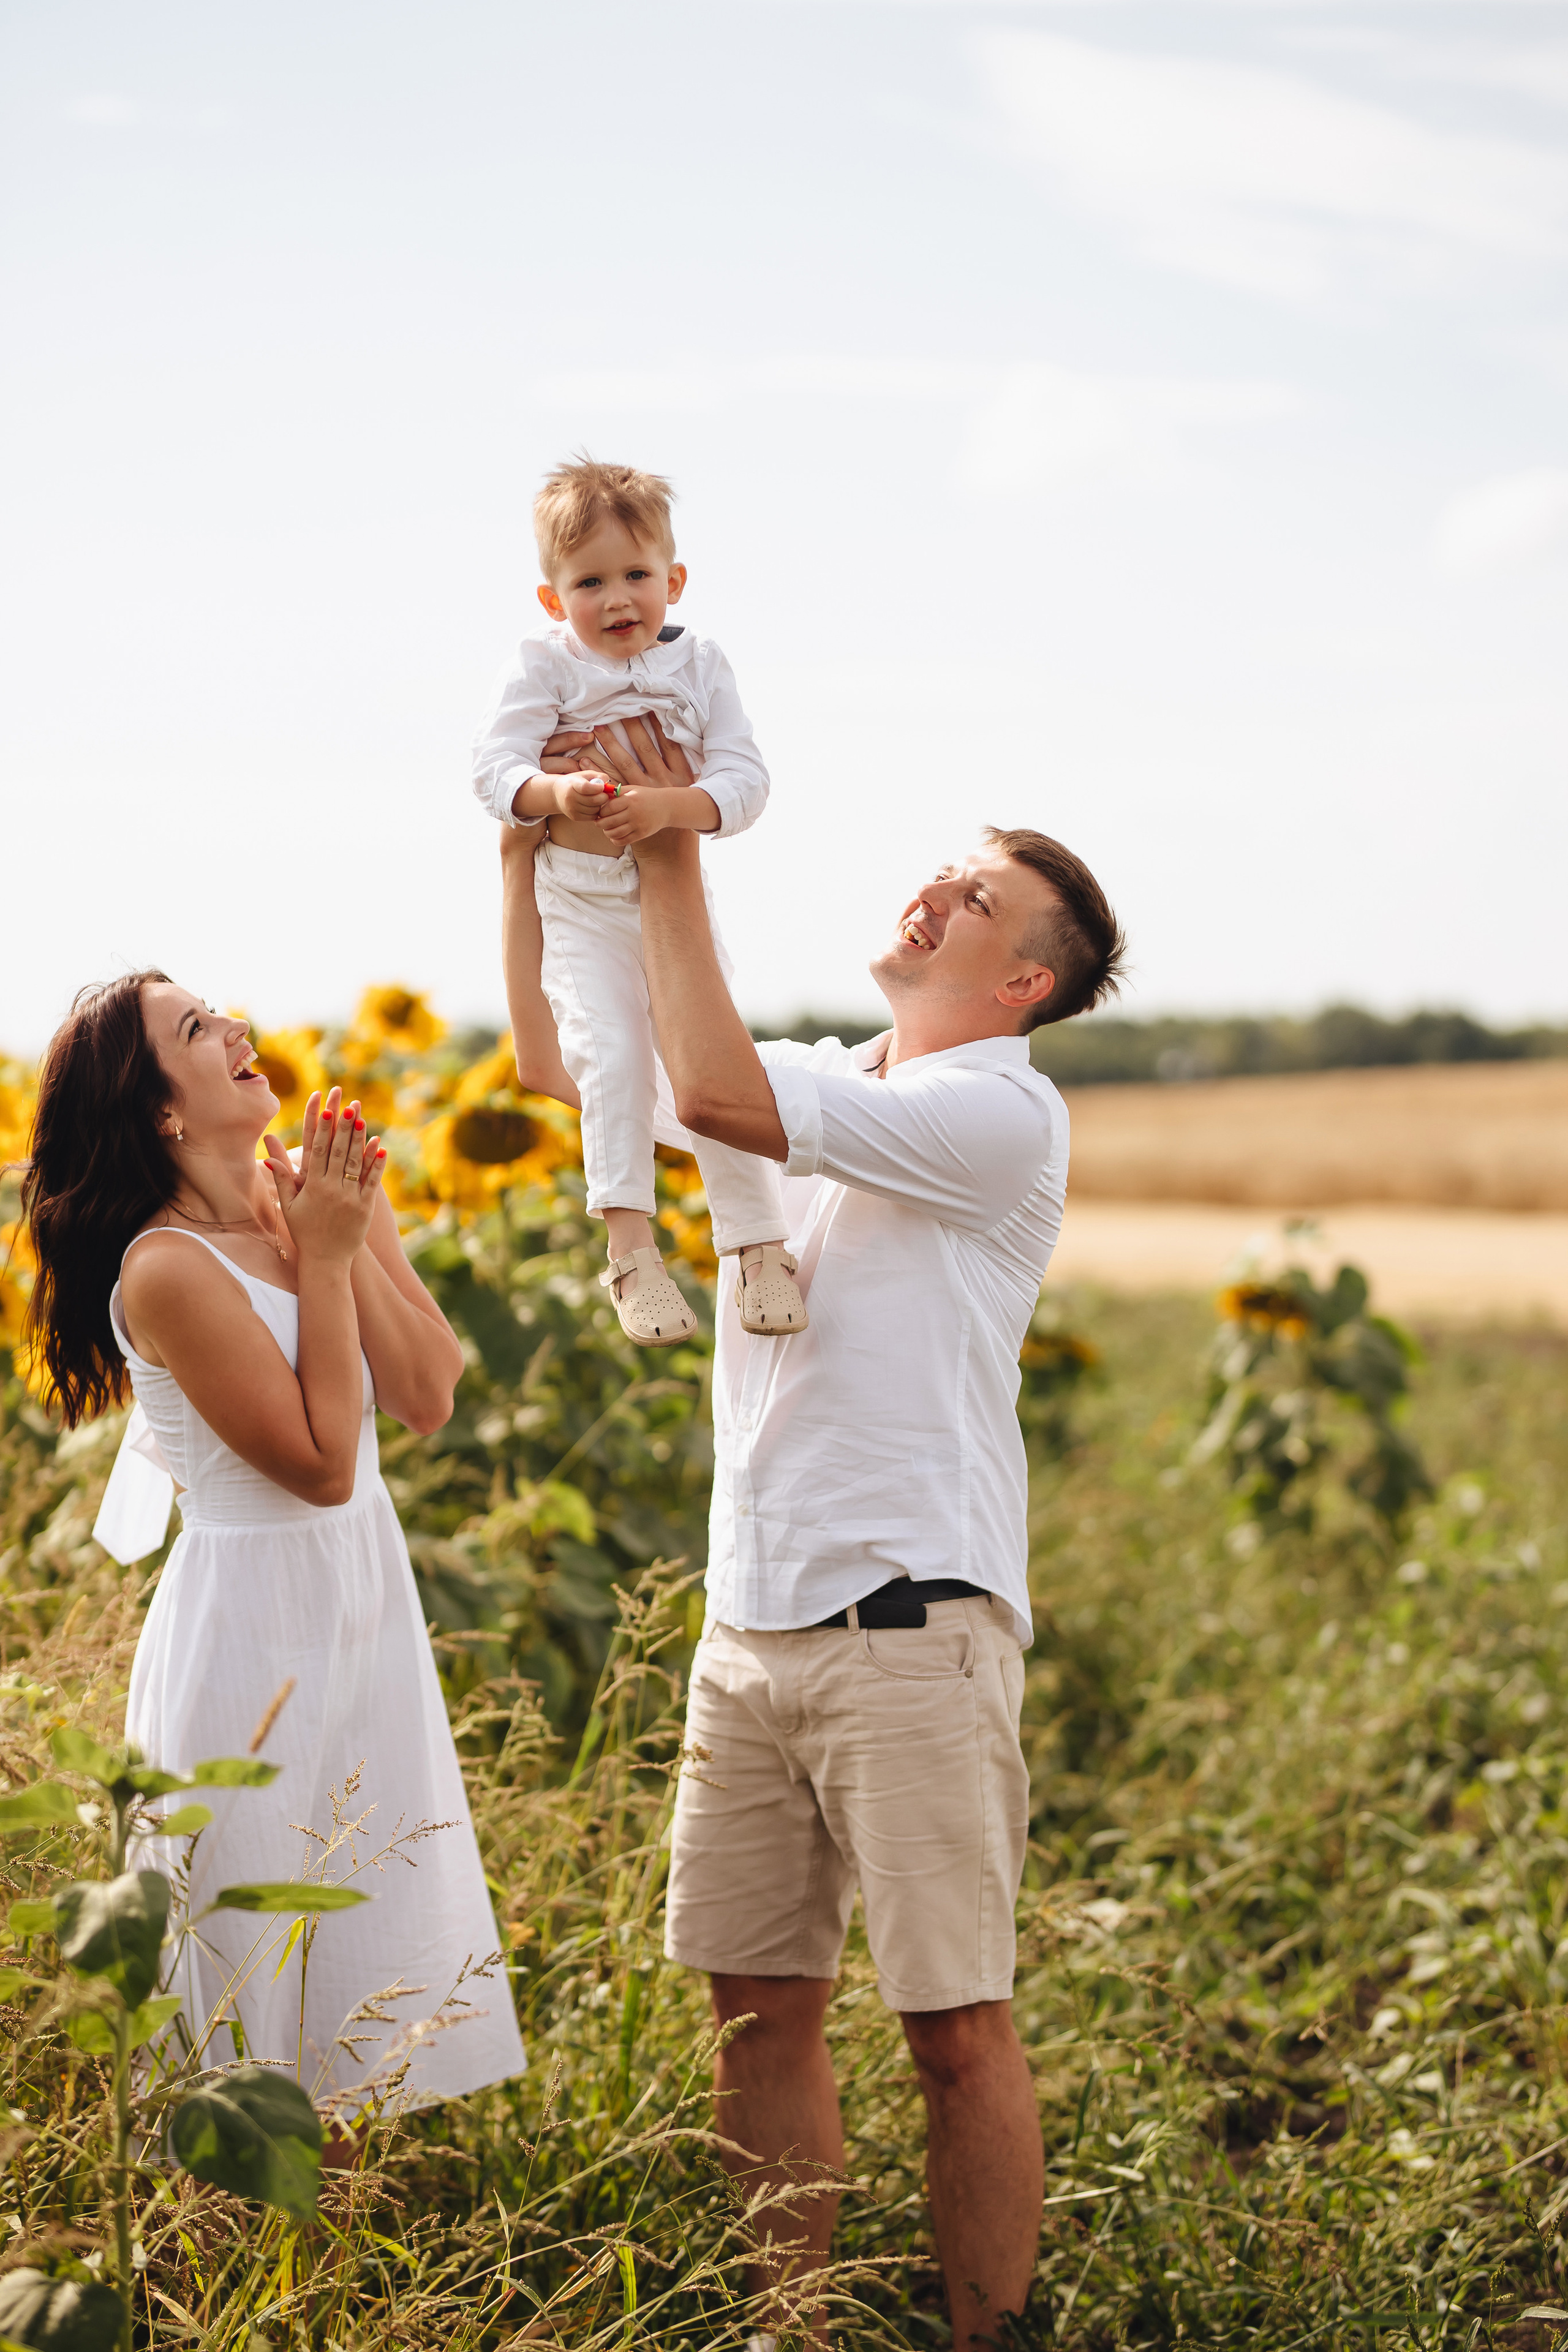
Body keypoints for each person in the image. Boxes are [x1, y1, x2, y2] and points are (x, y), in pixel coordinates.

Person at [506, 715, 1126, 2348]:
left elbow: (703, 1080)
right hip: (750, 1628)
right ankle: (796, 2328)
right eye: (940, 873)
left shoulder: (1001, 1114)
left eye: (976, 901)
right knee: (756, 2018)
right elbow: (570, 1072)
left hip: (911, 1625)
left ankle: (983, 2337)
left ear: (1024, 987)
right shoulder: (830, 1081)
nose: (934, 897)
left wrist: (677, 830)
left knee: (955, 2031)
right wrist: (537, 849)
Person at [21, 974, 525, 2127]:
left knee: (353, 1990)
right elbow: (318, 1464)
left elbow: (429, 1393)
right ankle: (230, 2283)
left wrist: (348, 1235)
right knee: (251, 2016)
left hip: (361, 1609)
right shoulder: (168, 1269)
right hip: (252, 1637)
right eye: (197, 1030)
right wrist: (334, 1258)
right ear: (162, 1113)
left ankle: (330, 2296)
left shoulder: (295, 1202)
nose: (239, 1029)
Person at [473, 456, 807, 1349]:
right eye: (589, 582)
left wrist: (669, 808)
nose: (618, 599)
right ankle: (629, 1248)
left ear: (674, 581)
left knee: (712, 1071)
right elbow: (494, 771)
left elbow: (746, 779)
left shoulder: (703, 665)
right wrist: (556, 797)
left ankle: (757, 1241)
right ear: (553, 600)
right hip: (580, 903)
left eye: (636, 576)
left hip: (674, 901)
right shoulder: (541, 666)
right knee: (612, 1057)